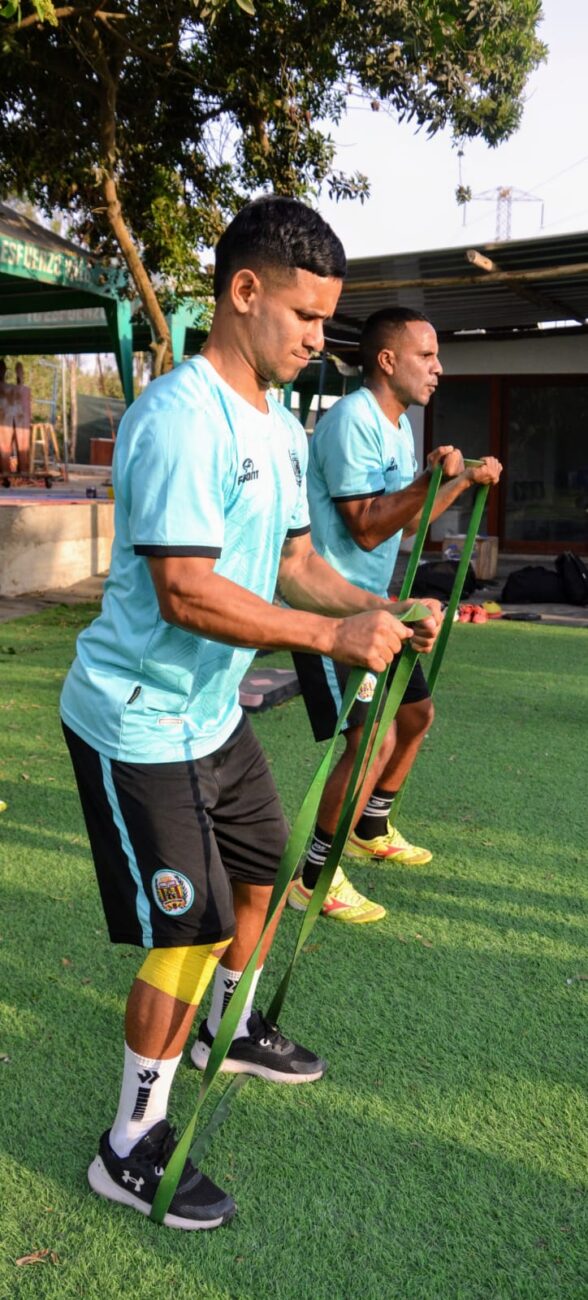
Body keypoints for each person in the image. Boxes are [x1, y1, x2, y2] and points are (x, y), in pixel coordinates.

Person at [60, 201, 442, 1231]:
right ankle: (130, 1144)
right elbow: (185, 590)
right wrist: (329, 641)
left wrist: (377, 606)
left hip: (210, 713)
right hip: (137, 720)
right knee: (187, 928)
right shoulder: (181, 419)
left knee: (266, 865)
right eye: (309, 315)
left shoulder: (277, 422)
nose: (323, 338)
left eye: (330, 318)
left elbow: (295, 560)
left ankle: (224, 1027)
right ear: (244, 292)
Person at [290, 307, 502, 924]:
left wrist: (459, 484)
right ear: (387, 361)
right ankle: (312, 874)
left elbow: (407, 520)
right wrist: (440, 477)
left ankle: (371, 825)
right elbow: (363, 529)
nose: (438, 368)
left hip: (383, 607)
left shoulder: (398, 425)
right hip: (334, 609)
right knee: (368, 740)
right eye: (426, 356)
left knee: (416, 716)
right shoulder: (354, 422)